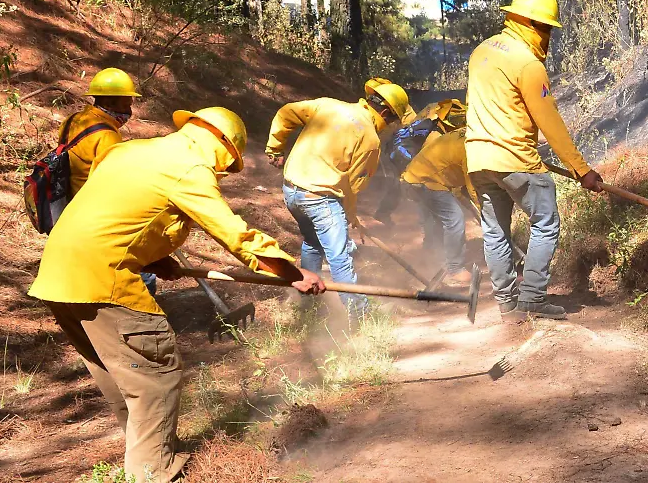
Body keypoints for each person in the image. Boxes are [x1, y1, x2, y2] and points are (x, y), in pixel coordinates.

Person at [28, 107, 325, 483]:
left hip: (58, 276)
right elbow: (234, 234)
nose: (222, 173)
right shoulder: (189, 168)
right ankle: (155, 472)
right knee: (157, 373)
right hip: (103, 280)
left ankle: (144, 458)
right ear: (221, 146)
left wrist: (155, 257)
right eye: (227, 166)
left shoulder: (133, 151)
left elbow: (117, 216)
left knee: (122, 376)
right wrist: (294, 272)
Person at [465, 0, 603, 320]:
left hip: (478, 160)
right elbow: (550, 123)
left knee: (496, 231)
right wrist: (581, 169)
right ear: (532, 25)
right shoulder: (527, 64)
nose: (548, 37)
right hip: (515, 159)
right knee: (545, 222)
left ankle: (507, 304)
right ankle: (532, 298)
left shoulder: (481, 52)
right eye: (547, 29)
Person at [266, 82, 411, 313]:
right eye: (392, 120)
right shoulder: (370, 140)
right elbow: (354, 186)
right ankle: (359, 314)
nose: (389, 126)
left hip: (291, 191)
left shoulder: (328, 105)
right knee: (339, 256)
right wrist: (350, 215)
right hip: (320, 198)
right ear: (385, 113)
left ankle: (308, 306)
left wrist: (274, 148)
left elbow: (285, 113)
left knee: (312, 243)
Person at [59, 67, 160, 296]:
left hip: (71, 206)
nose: (130, 109)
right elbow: (114, 184)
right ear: (111, 101)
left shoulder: (73, 120)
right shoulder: (107, 135)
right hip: (95, 212)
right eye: (127, 103)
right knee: (139, 270)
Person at [401, 126, 477, 287]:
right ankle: (454, 269)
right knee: (454, 220)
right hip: (425, 181)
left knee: (438, 223)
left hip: (417, 177)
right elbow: (473, 187)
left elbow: (456, 179)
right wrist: (484, 210)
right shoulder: (473, 147)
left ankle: (432, 262)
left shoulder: (467, 132)